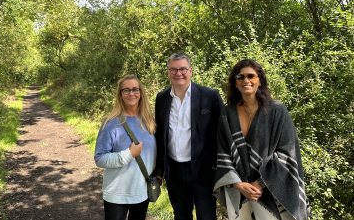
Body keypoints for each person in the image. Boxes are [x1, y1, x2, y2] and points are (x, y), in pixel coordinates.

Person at [213, 59, 311, 220]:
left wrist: (260, 183)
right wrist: (238, 184)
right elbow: (222, 151)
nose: (246, 80)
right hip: (238, 188)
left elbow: (287, 153)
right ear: (235, 82)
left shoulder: (277, 110)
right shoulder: (227, 113)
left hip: (270, 188)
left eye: (251, 76)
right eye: (240, 77)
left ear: (260, 80)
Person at [155, 52, 224, 220]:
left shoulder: (210, 96)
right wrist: (159, 170)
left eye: (183, 69)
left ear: (191, 71)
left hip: (203, 171)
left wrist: (220, 170)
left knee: (206, 216)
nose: (178, 73)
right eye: (173, 69)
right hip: (174, 172)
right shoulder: (162, 98)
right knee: (181, 215)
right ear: (168, 72)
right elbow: (160, 135)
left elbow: (221, 135)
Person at [94, 75, 156, 220]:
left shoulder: (149, 121)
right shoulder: (110, 123)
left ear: (141, 92)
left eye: (135, 89)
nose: (131, 93)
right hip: (117, 193)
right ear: (120, 94)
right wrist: (128, 154)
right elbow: (99, 159)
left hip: (141, 191)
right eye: (126, 90)